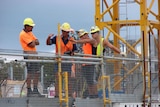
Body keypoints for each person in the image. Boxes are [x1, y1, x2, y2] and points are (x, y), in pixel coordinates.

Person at [71, 28, 124, 98]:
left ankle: (94, 96)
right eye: (91, 33)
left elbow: (111, 46)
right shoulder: (85, 43)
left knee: (93, 81)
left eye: (93, 33)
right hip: (87, 64)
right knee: (89, 82)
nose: (92, 35)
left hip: (95, 63)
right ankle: (91, 95)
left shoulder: (95, 41)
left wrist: (120, 52)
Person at [46, 22, 77, 97]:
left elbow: (75, 50)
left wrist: (71, 53)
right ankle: (57, 95)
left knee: (68, 80)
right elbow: (48, 43)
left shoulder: (72, 39)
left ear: (68, 32)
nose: (63, 32)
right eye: (63, 31)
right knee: (58, 79)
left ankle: (69, 95)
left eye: (65, 31)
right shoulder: (57, 38)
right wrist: (48, 38)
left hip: (67, 61)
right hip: (58, 61)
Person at [19, 18, 41, 97]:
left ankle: (35, 89)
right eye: (31, 26)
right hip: (28, 54)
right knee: (30, 73)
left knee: (37, 72)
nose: (32, 28)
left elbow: (37, 42)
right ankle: (29, 90)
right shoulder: (23, 34)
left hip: (34, 54)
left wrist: (34, 42)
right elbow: (31, 44)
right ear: (26, 26)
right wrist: (34, 42)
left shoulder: (30, 33)